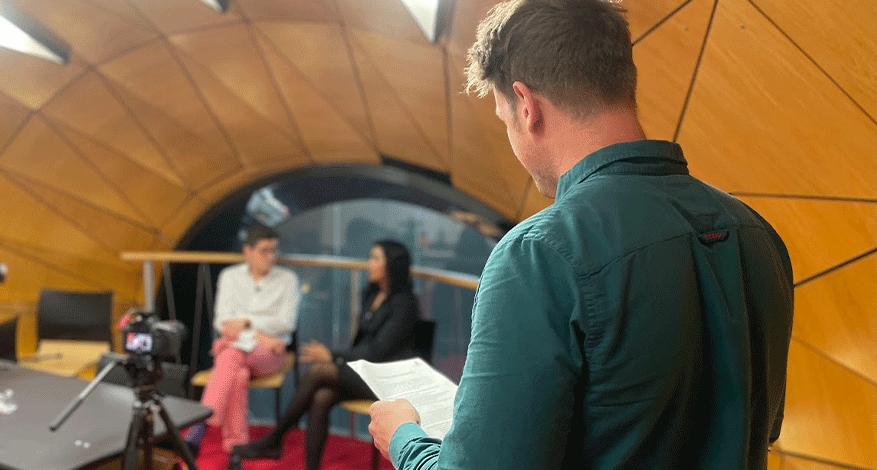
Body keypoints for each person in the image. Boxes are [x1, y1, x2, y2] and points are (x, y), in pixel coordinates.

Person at [368, 1, 794, 469]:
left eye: (503, 118)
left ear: (526, 107)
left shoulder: (539, 253)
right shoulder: (757, 233)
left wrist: (404, 438)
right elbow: (762, 426)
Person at [229, 240, 422, 470]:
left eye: (375, 258)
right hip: (366, 370)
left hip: (389, 376)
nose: (368, 264)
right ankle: (306, 464)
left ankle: (275, 439)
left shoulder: (405, 304)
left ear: (392, 265)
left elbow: (377, 351)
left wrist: (331, 355)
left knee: (319, 370)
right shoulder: (371, 294)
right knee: (321, 396)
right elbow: (364, 346)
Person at [185, 224, 301, 453]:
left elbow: (286, 323)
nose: (271, 257)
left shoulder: (288, 279)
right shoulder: (230, 277)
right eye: (264, 251)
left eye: (273, 250)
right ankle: (236, 449)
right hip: (250, 348)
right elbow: (222, 322)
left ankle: (199, 427)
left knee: (231, 352)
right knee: (238, 374)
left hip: (271, 354)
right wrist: (260, 335)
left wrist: (246, 323)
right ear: (247, 251)